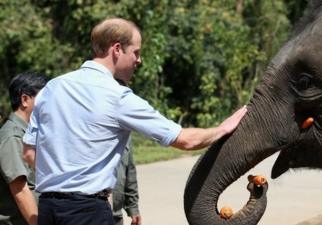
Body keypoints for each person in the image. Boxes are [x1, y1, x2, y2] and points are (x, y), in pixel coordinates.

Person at [22, 17, 247, 225]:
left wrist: (62, 176)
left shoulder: (52, 88)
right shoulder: (116, 96)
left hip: (48, 209)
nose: (139, 60)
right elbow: (184, 140)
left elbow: (29, 153)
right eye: (136, 52)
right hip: (87, 212)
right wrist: (223, 128)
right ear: (117, 49)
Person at [0, 72, 47, 225]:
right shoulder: (12, 137)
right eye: (44, 99)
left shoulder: (27, 135)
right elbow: (20, 190)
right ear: (25, 100)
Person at [112, 138, 140, 225]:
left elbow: (130, 173)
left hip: (116, 215)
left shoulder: (125, 136)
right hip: (88, 212)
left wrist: (133, 208)